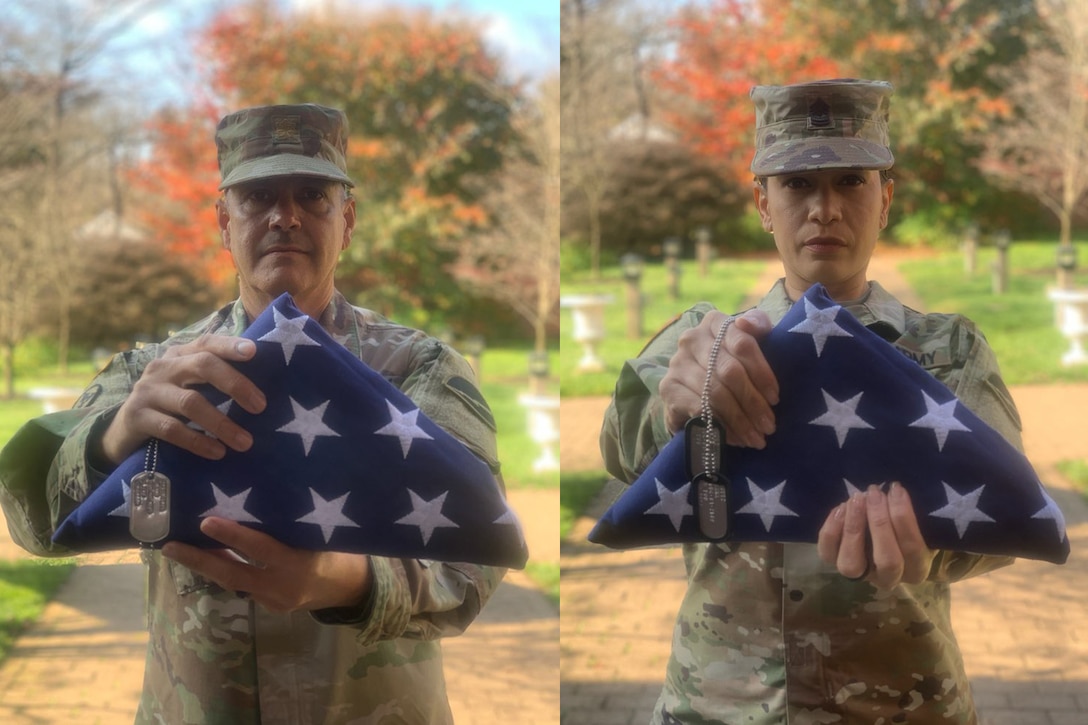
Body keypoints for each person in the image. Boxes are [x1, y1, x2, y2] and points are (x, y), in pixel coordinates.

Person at [0, 103, 503, 724]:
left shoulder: (420, 370)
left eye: (312, 195)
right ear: (223, 220)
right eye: (257, 195)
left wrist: (347, 581)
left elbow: (477, 558)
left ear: (346, 220)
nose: (284, 216)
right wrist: (116, 434)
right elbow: (33, 523)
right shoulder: (153, 374)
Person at [600, 79, 1022, 724]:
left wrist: (934, 546)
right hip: (719, 704)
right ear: (763, 205)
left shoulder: (950, 351)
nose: (824, 209)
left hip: (901, 703)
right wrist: (678, 408)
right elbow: (621, 450)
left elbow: (1008, 512)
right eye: (797, 185)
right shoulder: (708, 340)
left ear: (885, 200)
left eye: (851, 181)